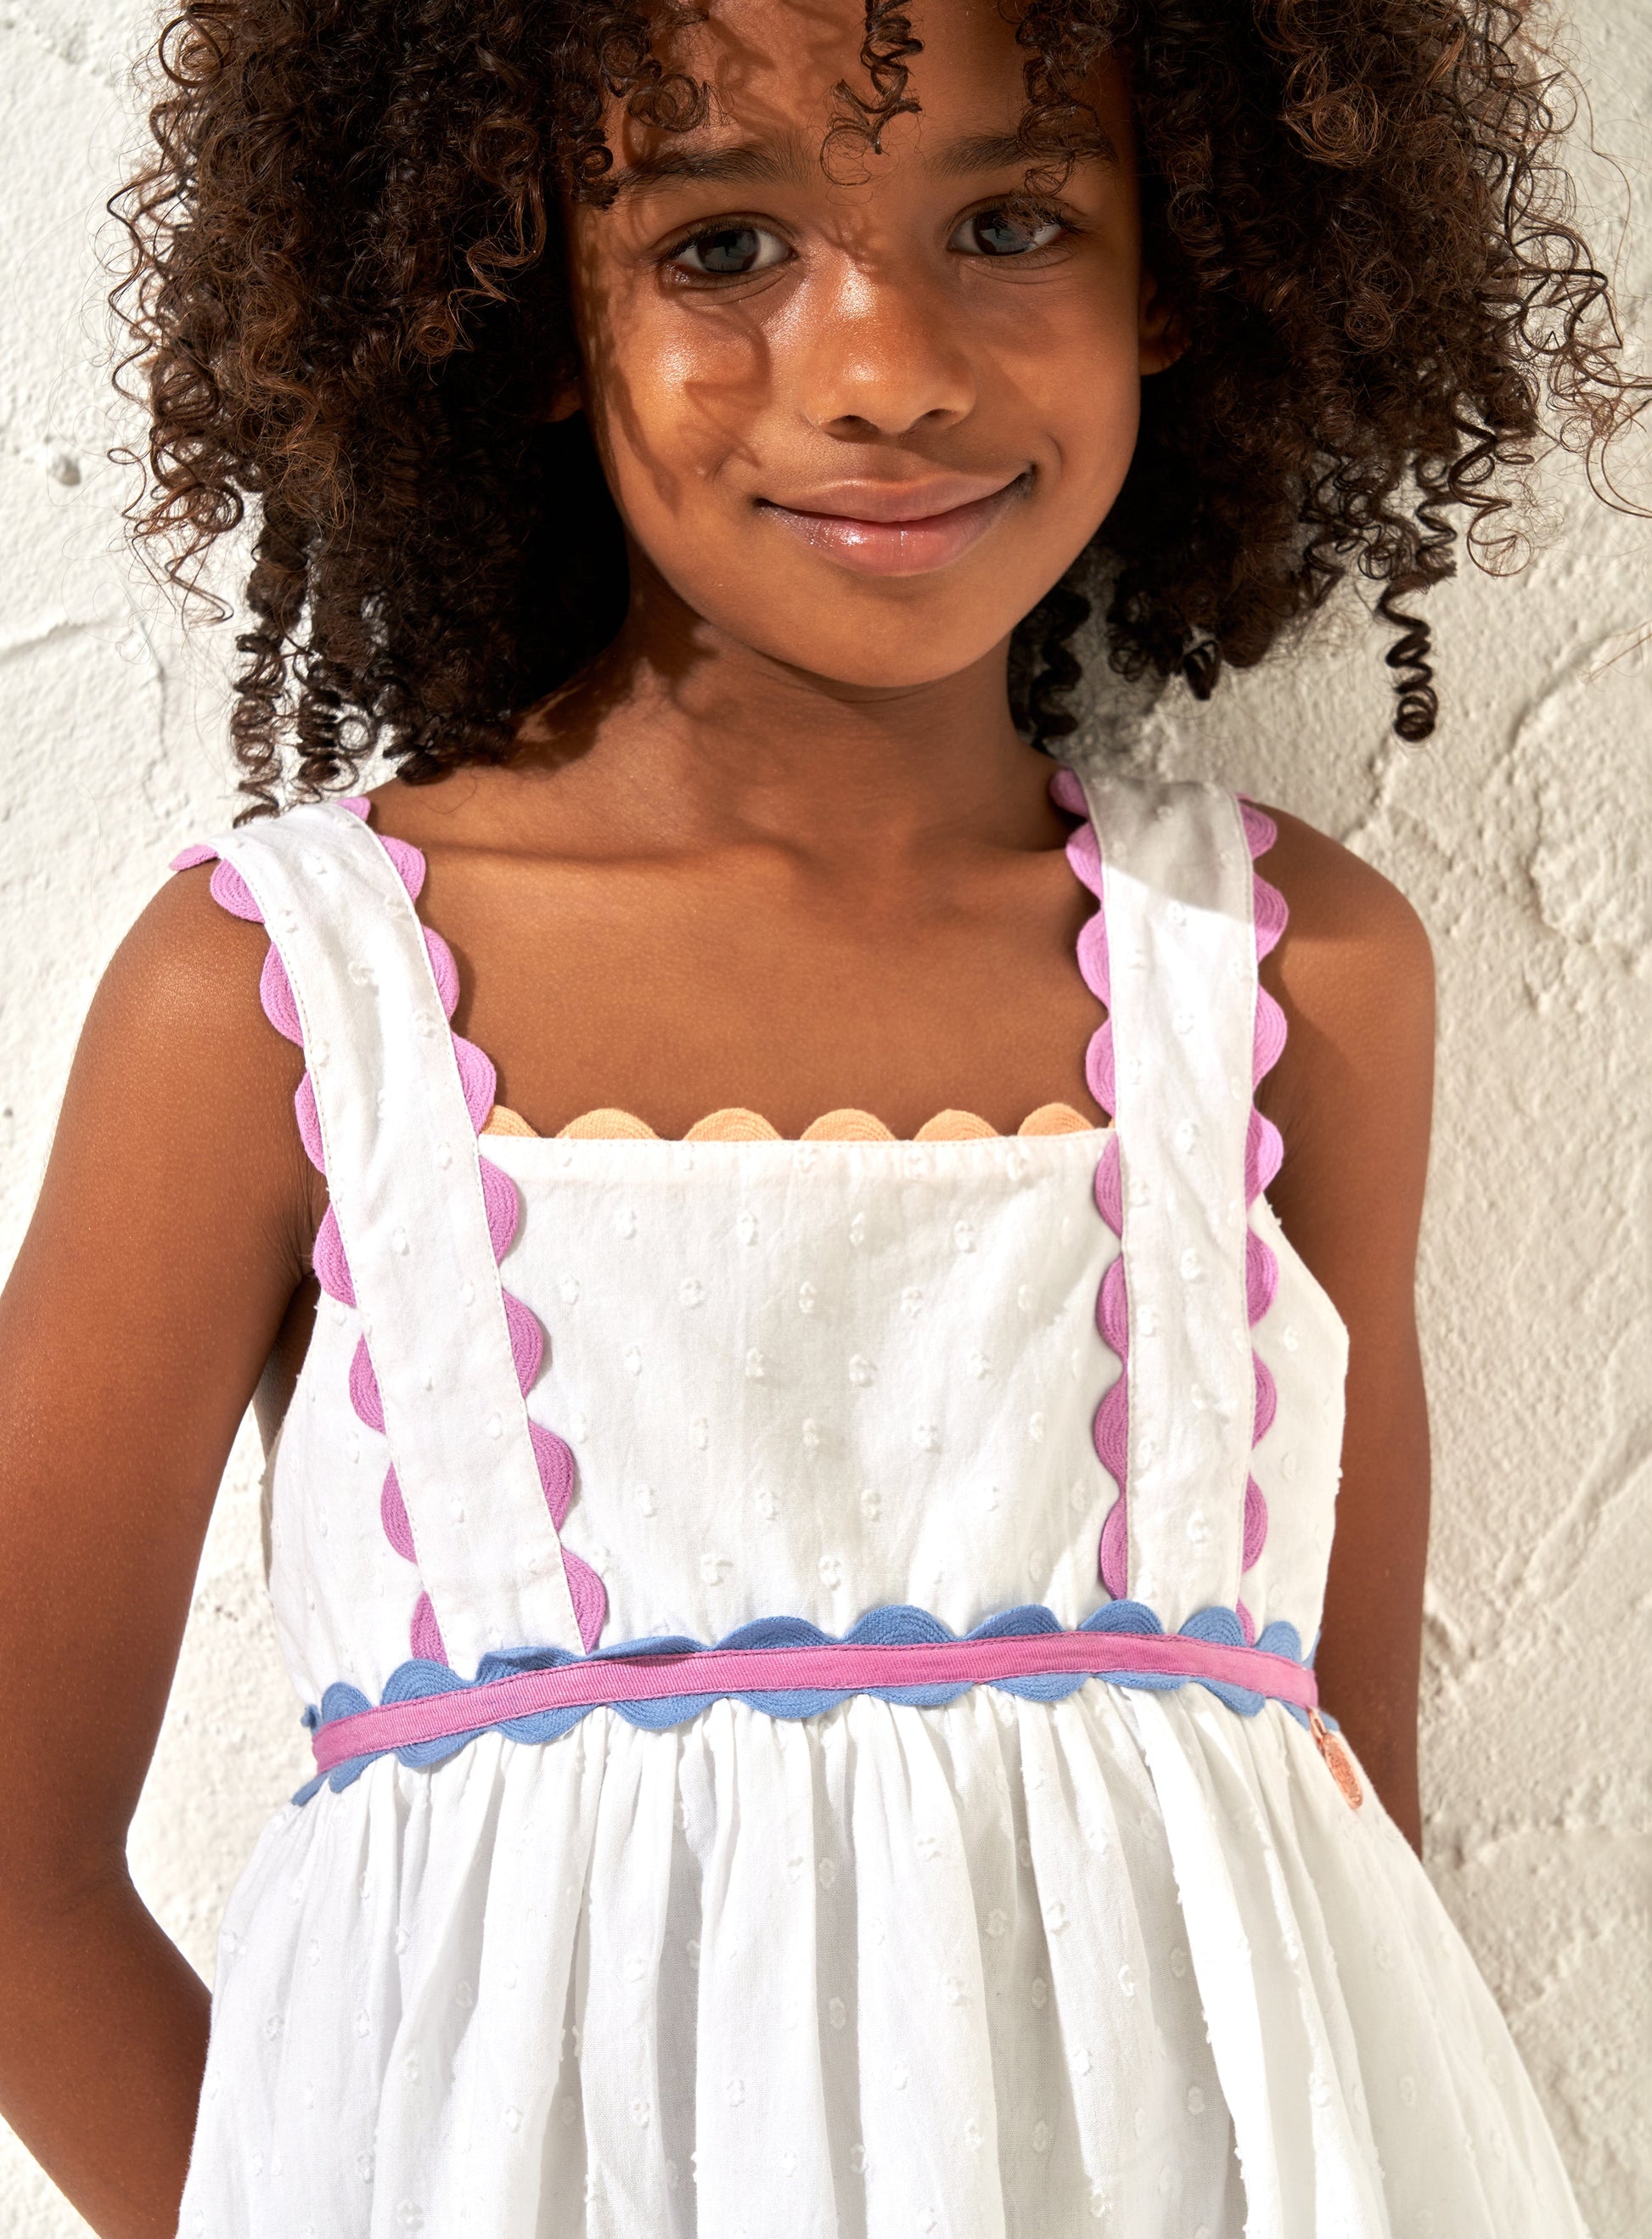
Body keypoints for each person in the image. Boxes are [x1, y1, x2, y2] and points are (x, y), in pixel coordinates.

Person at [0, 3, 1638, 2234]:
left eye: (1009, 221)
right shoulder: (284, 1003)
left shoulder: (1284, 983)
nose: (883, 368)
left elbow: (1337, 1863)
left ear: (1177, 265)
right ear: (528, 296)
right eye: (721, 244)